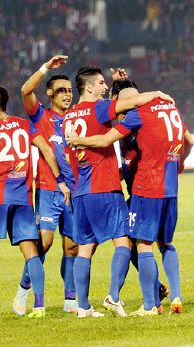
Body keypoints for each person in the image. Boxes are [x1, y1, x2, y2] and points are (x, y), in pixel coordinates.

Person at [66, 79, 193, 316]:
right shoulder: (168, 109)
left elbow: (104, 140)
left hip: (145, 190)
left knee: (138, 243)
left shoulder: (137, 116)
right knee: (164, 243)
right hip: (169, 189)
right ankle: (173, 294)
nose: (121, 113)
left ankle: (144, 304)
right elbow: (189, 139)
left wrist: (79, 141)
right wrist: (181, 161)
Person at [0, 83, 70, 319]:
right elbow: (48, 151)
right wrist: (59, 179)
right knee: (31, 252)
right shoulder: (24, 124)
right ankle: (39, 307)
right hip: (23, 198)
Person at [17, 55, 78, 314]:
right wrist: (45, 68)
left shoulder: (78, 118)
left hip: (75, 192)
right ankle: (23, 290)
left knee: (72, 246)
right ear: (50, 94)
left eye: (70, 90)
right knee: (45, 242)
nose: (67, 95)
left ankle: (70, 300)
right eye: (61, 91)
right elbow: (25, 90)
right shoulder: (41, 116)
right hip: (48, 189)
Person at [110, 79, 169, 313]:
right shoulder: (126, 133)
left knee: (142, 244)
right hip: (136, 195)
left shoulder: (142, 129)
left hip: (146, 196)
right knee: (132, 243)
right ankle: (156, 290)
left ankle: (151, 302)